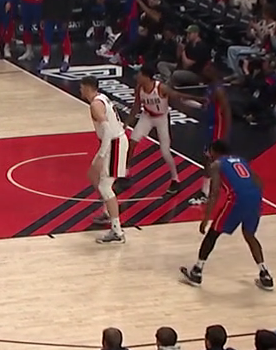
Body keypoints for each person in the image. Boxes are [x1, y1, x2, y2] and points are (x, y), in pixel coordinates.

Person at [180, 140, 273, 291]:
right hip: (255, 198)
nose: (209, 155)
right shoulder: (241, 160)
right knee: (250, 235)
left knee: (213, 234)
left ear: (215, 152)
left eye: (210, 152)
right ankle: (265, 275)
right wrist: (255, 201)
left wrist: (205, 219)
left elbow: (214, 193)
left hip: (237, 200)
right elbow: (258, 182)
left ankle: (197, 271)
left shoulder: (216, 164)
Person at [80, 76, 127, 244]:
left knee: (105, 187)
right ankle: (108, 211)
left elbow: (107, 130)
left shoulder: (95, 105)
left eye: (82, 87)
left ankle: (117, 231)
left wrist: (101, 155)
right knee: (93, 175)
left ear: (87, 88)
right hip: (111, 143)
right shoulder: (101, 98)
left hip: (113, 144)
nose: (80, 90)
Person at [129, 65, 183, 195]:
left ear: (147, 77)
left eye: (140, 74)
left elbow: (177, 95)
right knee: (132, 143)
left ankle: (175, 179)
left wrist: (198, 99)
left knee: (165, 152)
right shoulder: (139, 88)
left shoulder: (161, 87)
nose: (137, 77)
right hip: (147, 117)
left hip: (161, 118)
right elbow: (136, 106)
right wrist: (127, 123)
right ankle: (125, 173)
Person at [190, 65, 231, 206]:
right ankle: (206, 190)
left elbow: (226, 111)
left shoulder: (218, 89)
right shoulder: (210, 87)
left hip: (217, 128)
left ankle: (208, 192)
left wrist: (225, 135)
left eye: (206, 71)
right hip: (209, 126)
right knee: (206, 158)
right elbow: (209, 104)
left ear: (212, 72)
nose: (202, 73)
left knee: (212, 160)